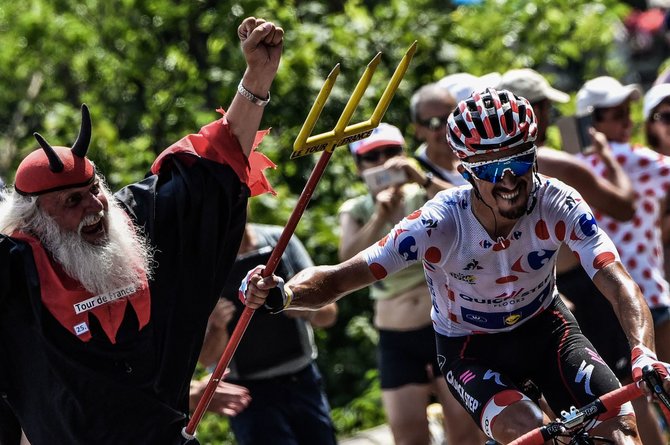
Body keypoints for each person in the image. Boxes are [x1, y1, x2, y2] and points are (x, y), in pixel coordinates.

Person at [242, 88, 670, 445]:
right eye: (490, 169)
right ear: (466, 171)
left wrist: (643, 352)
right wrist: (284, 293)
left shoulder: (557, 201)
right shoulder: (438, 223)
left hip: (548, 329)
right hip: (471, 348)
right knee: (533, 437)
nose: (508, 180)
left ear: (534, 157)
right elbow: (340, 278)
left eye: (519, 162)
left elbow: (618, 281)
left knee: (621, 435)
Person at [0, 16, 282, 445]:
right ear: (34, 219)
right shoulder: (12, 270)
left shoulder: (137, 220)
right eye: (72, 202)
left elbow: (216, 166)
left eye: (93, 190)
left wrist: (257, 76)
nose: (95, 206)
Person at [339, 123, 484, 445]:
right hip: (396, 338)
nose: (383, 161)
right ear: (358, 167)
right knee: (408, 438)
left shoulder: (426, 196)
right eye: (372, 156)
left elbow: (472, 211)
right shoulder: (357, 210)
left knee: (465, 433)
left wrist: (421, 177)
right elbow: (345, 261)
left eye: (391, 152)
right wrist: (379, 216)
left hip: (445, 329)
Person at [192, 222, 338, 445]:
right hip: (248, 396)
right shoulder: (201, 262)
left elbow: (329, 315)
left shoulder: (280, 240)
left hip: (302, 379)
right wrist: (217, 327)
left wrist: (295, 302)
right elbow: (206, 359)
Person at [409, 83, 469, 187]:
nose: (446, 129)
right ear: (418, 130)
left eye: (451, 118)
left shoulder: (477, 153)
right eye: (434, 123)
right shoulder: (415, 172)